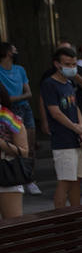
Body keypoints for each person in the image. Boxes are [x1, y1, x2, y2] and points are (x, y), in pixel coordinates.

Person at [42, 46, 82, 209]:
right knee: (65, 180)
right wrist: (76, 128)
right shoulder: (49, 84)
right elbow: (55, 112)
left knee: (76, 180)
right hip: (62, 140)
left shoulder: (69, 83)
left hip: (75, 138)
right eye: (67, 64)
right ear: (57, 64)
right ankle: (60, 219)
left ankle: (75, 215)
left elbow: (75, 108)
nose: (71, 67)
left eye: (74, 64)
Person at [0, 42, 40, 195]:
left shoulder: (20, 69)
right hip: (8, 109)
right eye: (13, 48)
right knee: (12, 145)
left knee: (29, 144)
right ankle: (14, 174)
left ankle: (29, 177)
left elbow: (29, 92)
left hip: (23, 108)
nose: (16, 51)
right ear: (6, 51)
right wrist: (8, 101)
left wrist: (11, 98)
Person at [0, 86, 30, 217]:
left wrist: (1, 144)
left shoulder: (10, 119)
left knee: (13, 225)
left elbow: (24, 152)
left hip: (7, 174)